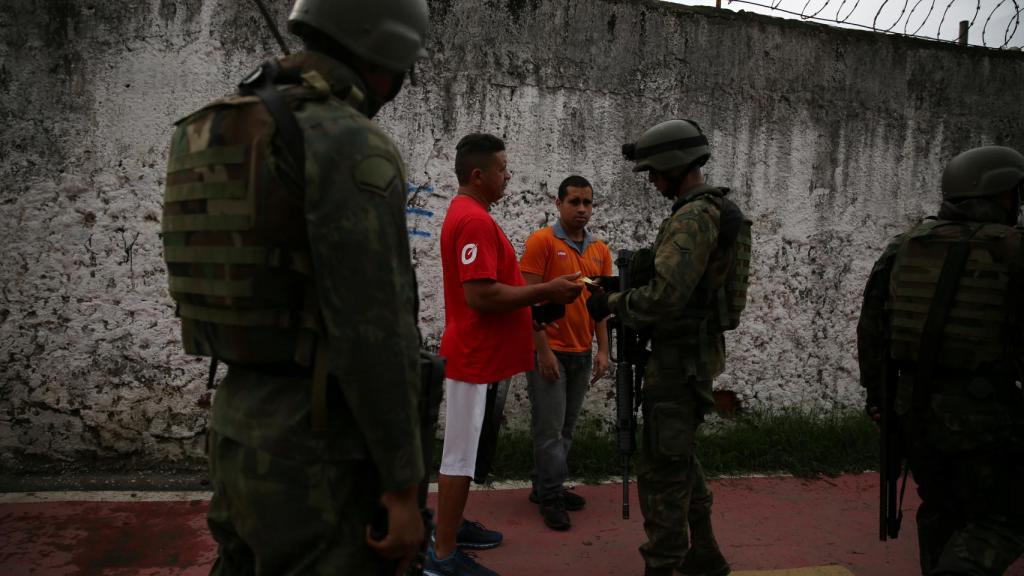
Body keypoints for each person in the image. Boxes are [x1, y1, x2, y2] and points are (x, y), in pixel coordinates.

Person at [160, 0, 432, 573]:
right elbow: (375, 334)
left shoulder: (205, 128)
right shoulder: (347, 140)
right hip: (318, 449)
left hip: (238, 425)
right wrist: (404, 486)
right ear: (387, 58)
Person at [588, 119, 747, 576]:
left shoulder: (694, 216)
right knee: (679, 459)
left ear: (676, 167)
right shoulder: (706, 211)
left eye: (656, 172)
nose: (654, 181)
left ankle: (663, 564)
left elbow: (666, 296)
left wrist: (612, 303)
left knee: (662, 474)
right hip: (690, 357)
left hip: (678, 362)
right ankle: (706, 555)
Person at [857, 146, 1024, 575]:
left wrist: (879, 400)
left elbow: (872, 333)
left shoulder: (905, 246)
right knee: (1000, 520)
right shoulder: (1013, 250)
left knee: (940, 509)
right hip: (987, 418)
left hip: (913, 412)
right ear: (1001, 193)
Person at [427, 133, 584, 576]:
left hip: (481, 355)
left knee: (469, 452)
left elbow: (494, 290)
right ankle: (442, 556)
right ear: (479, 175)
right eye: (501, 168)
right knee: (458, 457)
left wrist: (532, 305)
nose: (507, 175)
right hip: (472, 356)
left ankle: (452, 527)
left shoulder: (471, 215)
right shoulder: (473, 220)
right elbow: (480, 296)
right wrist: (547, 289)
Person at [519, 175, 612, 531]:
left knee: (566, 428)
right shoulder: (541, 242)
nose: (582, 209)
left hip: (581, 352)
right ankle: (551, 494)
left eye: (587, 203)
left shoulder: (599, 250)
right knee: (548, 429)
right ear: (558, 204)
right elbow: (528, 302)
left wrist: (603, 350)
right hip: (550, 350)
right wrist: (542, 351)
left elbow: (600, 306)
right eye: (574, 202)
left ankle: (545, 486)